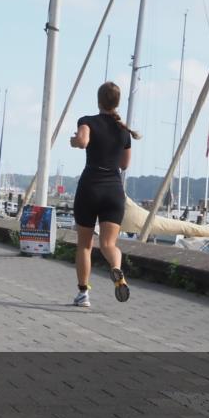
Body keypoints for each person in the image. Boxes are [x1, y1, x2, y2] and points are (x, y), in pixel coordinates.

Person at [68, 81, 140, 308]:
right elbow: (124, 164)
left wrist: (74, 141)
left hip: (90, 187)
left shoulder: (87, 121)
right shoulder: (123, 131)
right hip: (113, 191)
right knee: (109, 244)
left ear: (99, 100)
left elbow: (83, 140)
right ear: (117, 102)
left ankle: (83, 294)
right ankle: (117, 270)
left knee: (85, 245)